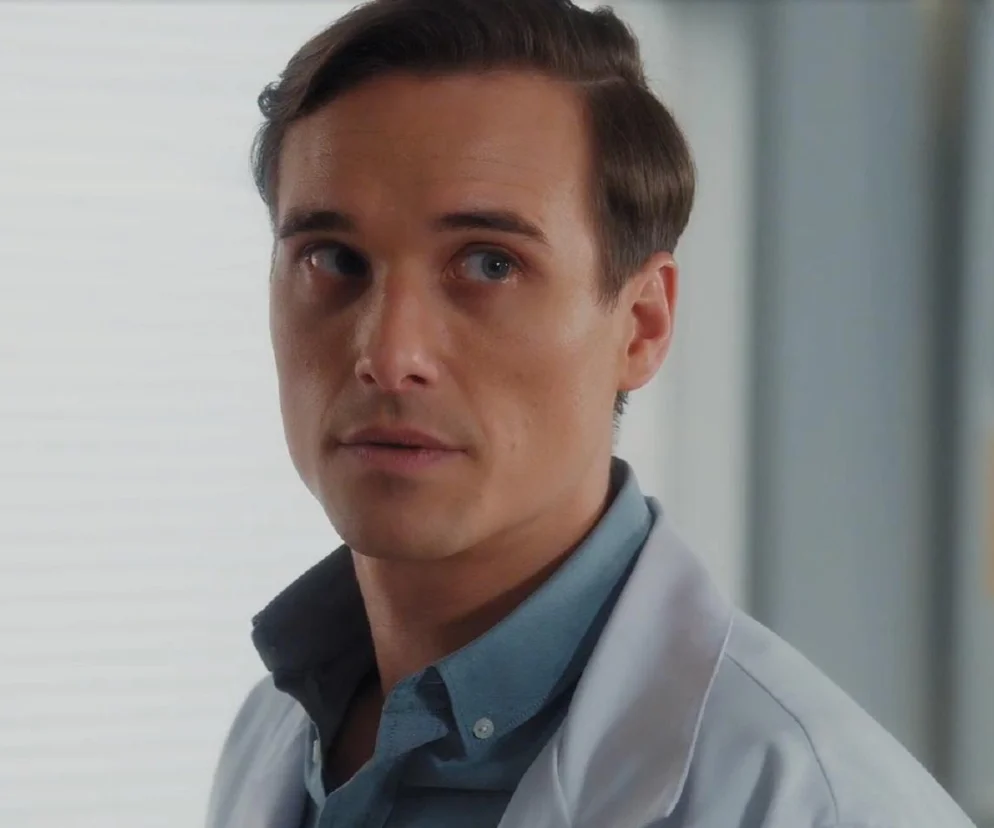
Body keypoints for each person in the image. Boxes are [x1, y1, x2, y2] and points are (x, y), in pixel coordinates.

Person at [206, 1, 977, 827]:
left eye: (489, 264)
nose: (390, 355)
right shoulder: (276, 731)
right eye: (333, 259)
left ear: (641, 325)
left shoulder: (818, 803)